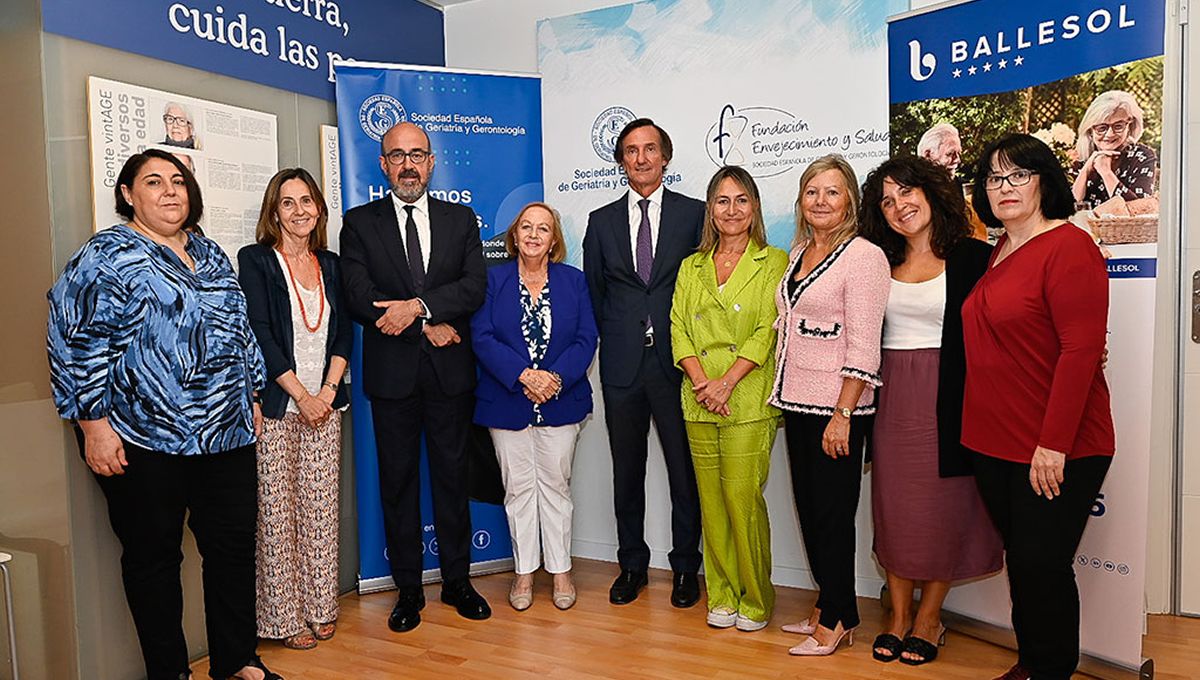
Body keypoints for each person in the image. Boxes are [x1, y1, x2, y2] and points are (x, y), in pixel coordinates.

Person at [47, 149, 280, 680]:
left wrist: (251, 392)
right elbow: (72, 339)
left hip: (226, 434)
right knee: (154, 561)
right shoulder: (106, 256)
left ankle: (237, 660)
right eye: (154, 182)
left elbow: (239, 329)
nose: (171, 191)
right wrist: (92, 424)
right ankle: (170, 671)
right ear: (128, 195)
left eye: (178, 181)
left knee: (233, 551)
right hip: (143, 439)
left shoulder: (210, 252)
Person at [966, 134, 1115, 680]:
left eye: (1017, 175)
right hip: (997, 441)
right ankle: (1032, 664)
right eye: (993, 178)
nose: (1003, 188)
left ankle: (1051, 669)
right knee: (1024, 565)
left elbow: (1081, 353)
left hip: (1058, 443)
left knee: (1041, 565)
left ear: (1044, 181)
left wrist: (1053, 444)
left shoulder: (1071, 245)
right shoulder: (999, 248)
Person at [340, 122, 489, 632]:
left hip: (450, 378)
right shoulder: (359, 223)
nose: (408, 164)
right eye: (397, 155)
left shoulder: (459, 219)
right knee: (398, 485)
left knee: (453, 481)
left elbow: (474, 287)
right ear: (383, 165)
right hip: (393, 379)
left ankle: (457, 581)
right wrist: (427, 327)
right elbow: (359, 298)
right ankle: (408, 590)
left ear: (431, 162)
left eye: (417, 155)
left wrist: (419, 307)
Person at [858, 155, 1003, 666]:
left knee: (944, 509)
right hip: (891, 395)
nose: (900, 207)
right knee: (896, 509)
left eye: (908, 193)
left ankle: (929, 618)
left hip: (952, 395)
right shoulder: (877, 258)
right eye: (888, 201)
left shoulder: (972, 256)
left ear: (931, 192)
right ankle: (897, 616)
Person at [769, 154, 890, 657]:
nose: (821, 201)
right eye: (812, 191)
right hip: (796, 399)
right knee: (811, 511)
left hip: (837, 409)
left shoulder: (864, 257)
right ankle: (829, 603)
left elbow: (863, 345)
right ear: (801, 201)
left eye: (832, 191)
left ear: (850, 202)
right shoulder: (799, 252)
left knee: (834, 516)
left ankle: (838, 619)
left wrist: (843, 414)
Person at [582, 117, 704, 607]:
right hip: (622, 368)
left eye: (650, 149)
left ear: (665, 157)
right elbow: (593, 296)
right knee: (626, 472)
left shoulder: (695, 215)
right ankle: (631, 564)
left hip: (679, 365)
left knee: (683, 472)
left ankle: (684, 570)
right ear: (621, 161)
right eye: (631, 150)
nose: (641, 158)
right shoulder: (601, 220)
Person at [669, 166, 789, 632]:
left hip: (748, 399)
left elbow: (768, 329)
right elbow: (679, 327)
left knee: (743, 500)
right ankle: (720, 594)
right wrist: (703, 382)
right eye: (722, 200)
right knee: (711, 502)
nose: (732, 209)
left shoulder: (773, 261)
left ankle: (755, 599)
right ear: (710, 210)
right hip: (698, 397)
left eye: (741, 200)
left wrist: (726, 383)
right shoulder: (690, 266)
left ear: (754, 207)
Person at [237, 169, 351, 650]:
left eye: (308, 201)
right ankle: (284, 618)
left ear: (320, 210)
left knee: (321, 510)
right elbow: (260, 332)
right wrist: (301, 396)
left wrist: (325, 392)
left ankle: (322, 606)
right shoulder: (257, 261)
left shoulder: (333, 264)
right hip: (281, 405)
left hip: (326, 404)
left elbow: (344, 332)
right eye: (288, 202)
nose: (300, 210)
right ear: (274, 212)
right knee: (278, 515)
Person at [470, 202, 598, 611]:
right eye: (526, 227)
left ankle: (560, 571)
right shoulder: (494, 280)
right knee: (518, 489)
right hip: (508, 401)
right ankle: (524, 573)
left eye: (543, 228)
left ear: (554, 239)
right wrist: (525, 376)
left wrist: (554, 379)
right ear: (514, 235)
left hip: (560, 402)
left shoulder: (573, 281)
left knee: (556, 488)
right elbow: (483, 336)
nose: (533, 235)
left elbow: (586, 337)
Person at [1071, 90, 1157, 207]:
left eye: (1118, 126)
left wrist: (1105, 171)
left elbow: (1140, 210)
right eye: (1102, 128)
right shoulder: (1078, 157)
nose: (1110, 134)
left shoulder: (1143, 156)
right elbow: (1066, 209)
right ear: (1090, 130)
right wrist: (1086, 170)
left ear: (1129, 126)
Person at [918, 122, 988, 241]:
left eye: (959, 153)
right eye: (950, 154)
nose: (958, 160)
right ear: (928, 154)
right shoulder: (914, 192)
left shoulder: (961, 190)